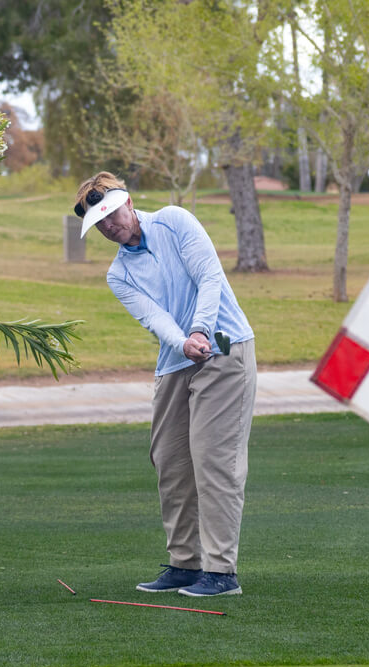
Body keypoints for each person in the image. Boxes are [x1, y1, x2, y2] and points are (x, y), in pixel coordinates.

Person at [73, 172, 257, 597]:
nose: (109, 226)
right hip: (178, 357)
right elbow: (155, 318)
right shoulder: (118, 275)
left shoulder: (176, 221)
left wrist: (201, 330)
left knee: (214, 458)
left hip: (225, 346)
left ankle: (221, 571)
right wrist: (184, 341)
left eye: (111, 215)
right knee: (170, 460)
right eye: (99, 224)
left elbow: (209, 278)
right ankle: (185, 563)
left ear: (129, 203)